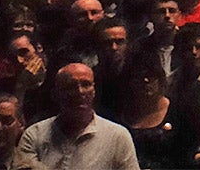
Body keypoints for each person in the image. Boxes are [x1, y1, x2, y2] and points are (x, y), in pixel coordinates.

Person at [8, 62, 139, 169]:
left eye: (86, 84)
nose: (80, 92)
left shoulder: (117, 136)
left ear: (94, 91)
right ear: (56, 94)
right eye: (70, 86)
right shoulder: (34, 135)